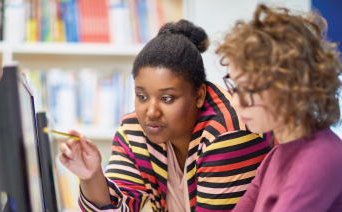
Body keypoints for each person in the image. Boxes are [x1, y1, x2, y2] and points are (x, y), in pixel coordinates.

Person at [59, 20, 270, 212]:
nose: (151, 112)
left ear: (199, 95)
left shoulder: (228, 134)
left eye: (167, 98)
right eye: (142, 96)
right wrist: (92, 176)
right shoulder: (136, 130)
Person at [215, 4, 342, 212]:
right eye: (235, 87)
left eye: (247, 88)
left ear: (290, 86)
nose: (234, 101)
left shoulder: (323, 157)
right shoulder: (274, 157)